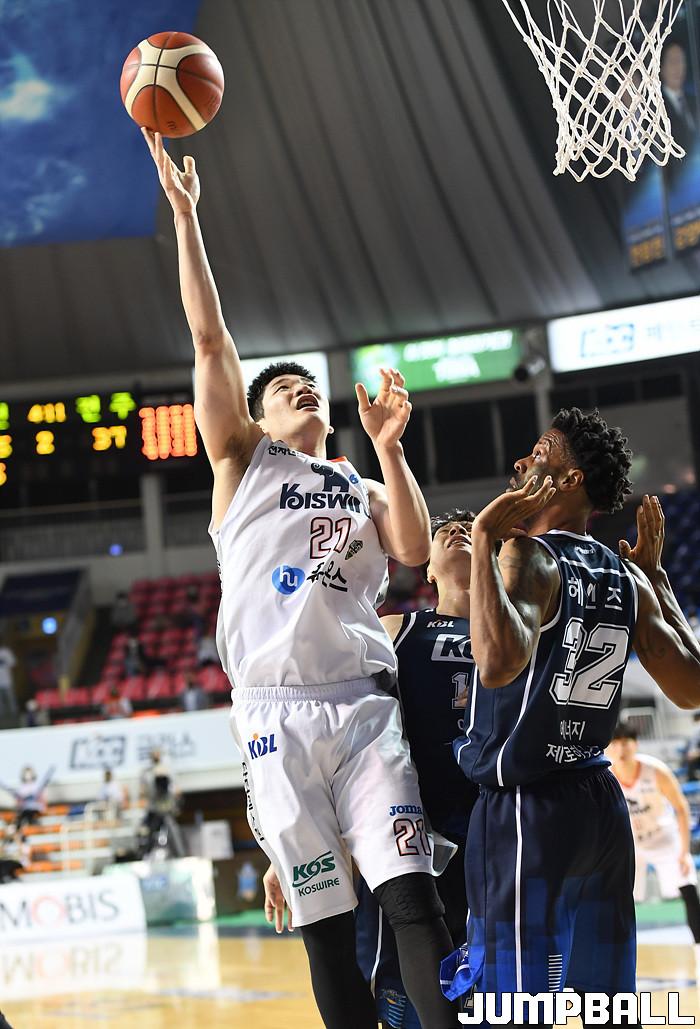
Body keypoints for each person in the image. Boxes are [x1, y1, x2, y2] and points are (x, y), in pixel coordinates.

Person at [143, 127, 456, 1028]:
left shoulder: (360, 483)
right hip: (274, 717)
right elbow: (209, 338)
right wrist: (187, 218)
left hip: (363, 708)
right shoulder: (244, 465)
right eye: (284, 390)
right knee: (328, 932)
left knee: (413, 898)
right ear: (258, 417)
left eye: (309, 386)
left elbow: (411, 547)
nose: (302, 391)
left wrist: (391, 449)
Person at [441, 408, 700, 1022]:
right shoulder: (628, 576)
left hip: (527, 809)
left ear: (570, 479)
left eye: (537, 454)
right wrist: (658, 581)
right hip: (598, 809)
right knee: (604, 1002)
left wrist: (485, 539)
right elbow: (692, 690)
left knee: (516, 1005)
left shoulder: (526, 556)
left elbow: (496, 663)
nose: (520, 462)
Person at [265, 508, 479, 1027]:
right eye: (445, 530)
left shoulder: (518, 633)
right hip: (412, 824)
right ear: (427, 568)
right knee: (405, 993)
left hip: (494, 828)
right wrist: (288, 844)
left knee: (499, 995)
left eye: (473, 530)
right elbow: (331, 731)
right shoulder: (395, 629)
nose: (458, 531)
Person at [608, 721, 700, 972]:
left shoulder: (655, 770)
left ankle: (699, 952)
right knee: (620, 898)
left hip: (663, 837)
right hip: (631, 843)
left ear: (635, 744)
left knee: (688, 888)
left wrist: (683, 851)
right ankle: (618, 957)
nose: (621, 748)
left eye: (626, 742)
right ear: (608, 747)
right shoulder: (606, 776)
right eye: (615, 743)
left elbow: (681, 808)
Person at [0, 765, 54, 830]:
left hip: (34, 808)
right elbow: (16, 796)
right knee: (24, 814)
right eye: (26, 774)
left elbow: (44, 783)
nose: (28, 776)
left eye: (29, 774)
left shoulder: (36, 786)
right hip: (25, 809)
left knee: (27, 813)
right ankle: (19, 827)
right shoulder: (22, 788)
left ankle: (21, 826)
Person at [0, 643, 17, 717]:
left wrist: (4, 662)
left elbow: (13, 663)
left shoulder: (6, 651)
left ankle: (14, 713)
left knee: (11, 698)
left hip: (6, 679)